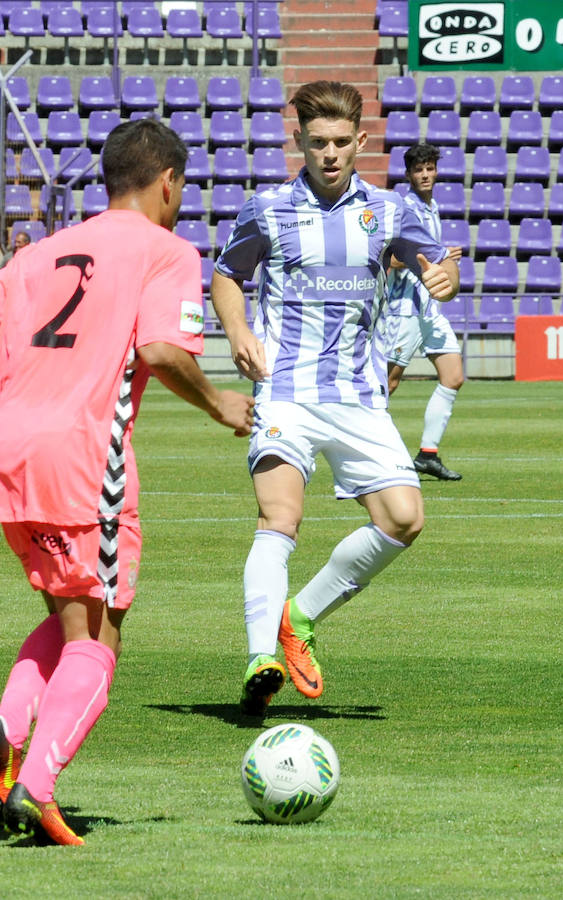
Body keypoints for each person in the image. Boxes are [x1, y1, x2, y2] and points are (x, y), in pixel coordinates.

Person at [0, 118, 253, 846]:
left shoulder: (44, 250)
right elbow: (158, 347)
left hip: (5, 445)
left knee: (69, 614)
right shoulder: (166, 250)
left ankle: (6, 726)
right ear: (167, 182)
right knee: (102, 633)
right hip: (81, 452)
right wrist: (217, 404)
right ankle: (36, 787)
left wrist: (33, 379)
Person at [210, 81, 459, 717]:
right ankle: (261, 654)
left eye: (341, 142)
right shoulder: (265, 208)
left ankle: (300, 618)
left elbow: (432, 261)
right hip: (285, 390)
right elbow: (227, 276)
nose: (329, 153)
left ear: (361, 143)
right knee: (279, 518)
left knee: (404, 519)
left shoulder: (389, 210)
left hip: (356, 395)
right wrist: (238, 330)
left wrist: (442, 275)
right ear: (298, 141)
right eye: (317, 142)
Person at [384, 143, 464, 481]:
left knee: (453, 376)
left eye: (429, 168)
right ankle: (369, 451)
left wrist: (443, 258)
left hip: (429, 307)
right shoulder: (405, 208)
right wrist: (437, 256)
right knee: (387, 383)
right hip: (404, 308)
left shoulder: (433, 208)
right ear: (408, 175)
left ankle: (427, 453)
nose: (425, 174)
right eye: (419, 170)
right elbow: (388, 257)